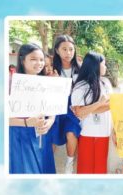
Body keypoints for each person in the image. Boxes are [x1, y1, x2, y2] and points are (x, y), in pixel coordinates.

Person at [8, 43, 56, 174]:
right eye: (33, 59)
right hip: (20, 135)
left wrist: (50, 122)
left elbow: (53, 110)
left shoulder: (46, 82)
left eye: (41, 60)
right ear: (22, 60)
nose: (39, 63)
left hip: (42, 134)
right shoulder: (11, 83)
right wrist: (26, 122)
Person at [70, 52, 112, 174]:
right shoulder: (81, 86)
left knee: (100, 168)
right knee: (85, 168)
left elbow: (110, 106)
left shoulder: (106, 83)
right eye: (103, 64)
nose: (105, 67)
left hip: (104, 132)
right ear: (96, 65)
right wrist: (99, 104)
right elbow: (79, 112)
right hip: (88, 132)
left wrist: (90, 108)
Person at [51, 35, 82, 174]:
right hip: (55, 107)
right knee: (51, 136)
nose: (68, 53)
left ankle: (69, 163)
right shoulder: (51, 69)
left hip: (72, 108)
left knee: (71, 133)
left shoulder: (80, 69)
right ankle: (48, 164)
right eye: (64, 49)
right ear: (57, 51)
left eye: (71, 49)